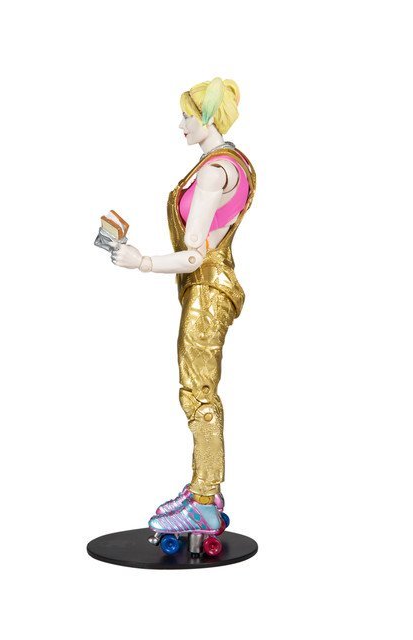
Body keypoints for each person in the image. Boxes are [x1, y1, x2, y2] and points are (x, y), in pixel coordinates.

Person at [111, 77, 256, 539]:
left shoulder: (214, 173)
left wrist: (141, 262)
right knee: (200, 389)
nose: (181, 125)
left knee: (197, 392)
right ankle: (202, 491)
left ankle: (205, 502)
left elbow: (194, 255)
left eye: (188, 116)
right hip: (208, 288)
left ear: (208, 118)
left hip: (207, 290)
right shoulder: (230, 163)